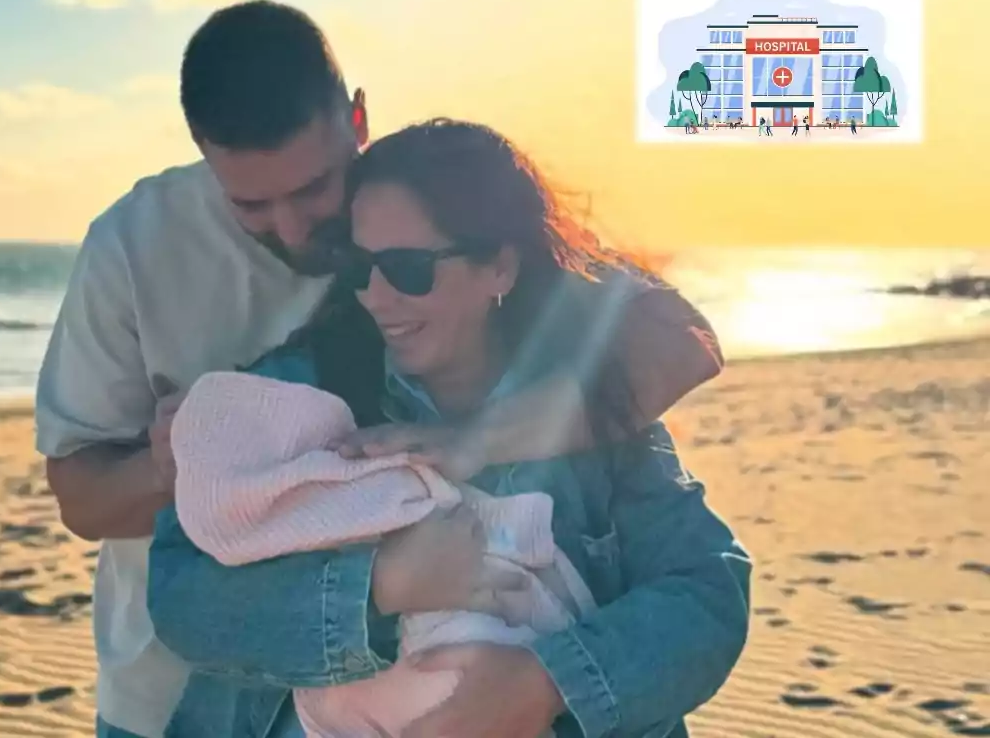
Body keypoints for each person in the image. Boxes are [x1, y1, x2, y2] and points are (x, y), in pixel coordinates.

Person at [35, 0, 726, 738]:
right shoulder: (137, 249)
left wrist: (486, 442)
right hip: (193, 694)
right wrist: (185, 461)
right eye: (253, 205)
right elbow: (98, 514)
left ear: (356, 123)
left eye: (313, 190)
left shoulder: (428, 202)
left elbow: (685, 343)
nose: (298, 230)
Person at [148, 119, 752, 737]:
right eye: (360, 268)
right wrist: (379, 586)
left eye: (409, 269)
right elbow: (180, 596)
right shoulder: (304, 394)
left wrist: (544, 685)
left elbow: (708, 591)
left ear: (500, 269)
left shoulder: (589, 411)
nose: (376, 297)